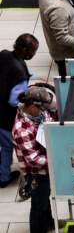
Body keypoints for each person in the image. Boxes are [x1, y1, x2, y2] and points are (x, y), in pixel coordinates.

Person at [12, 86, 57, 233]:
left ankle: (50, 223)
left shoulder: (39, 114)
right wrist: (56, 160)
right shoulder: (21, 130)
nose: (43, 111)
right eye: (40, 107)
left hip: (47, 167)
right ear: (30, 106)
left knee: (45, 199)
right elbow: (34, 160)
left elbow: (49, 119)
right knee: (38, 206)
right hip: (37, 174)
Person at [0, 33, 39, 188]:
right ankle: (4, 177)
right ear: (24, 49)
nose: (33, 54)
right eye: (32, 51)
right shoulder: (19, 74)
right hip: (4, 116)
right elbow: (14, 101)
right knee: (7, 146)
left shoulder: (4, 54)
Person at [39, 0, 74, 77]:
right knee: (70, 82)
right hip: (67, 54)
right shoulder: (58, 8)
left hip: (61, 50)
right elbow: (62, 37)